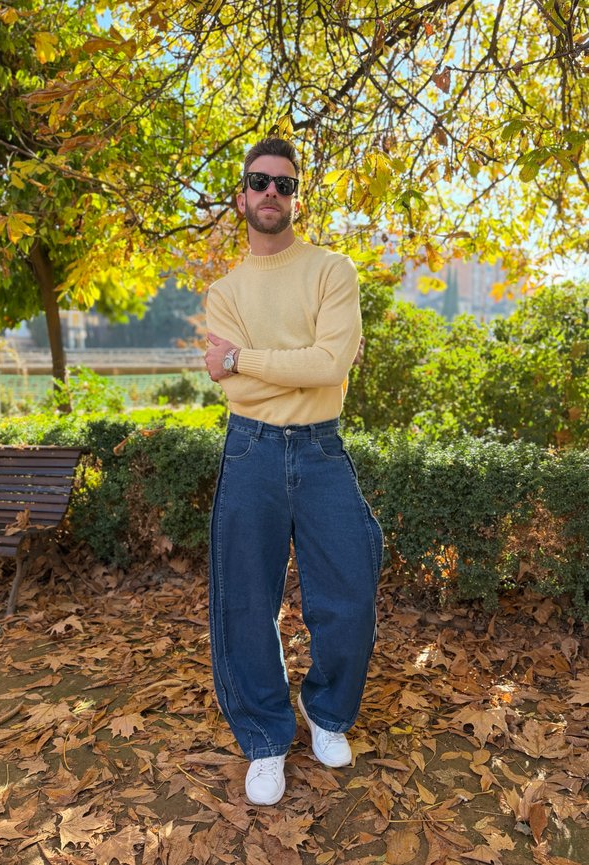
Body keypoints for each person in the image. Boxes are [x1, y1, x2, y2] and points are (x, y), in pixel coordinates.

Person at [204, 137, 383, 806]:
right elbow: (239, 396)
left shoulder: (332, 270)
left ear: (296, 195)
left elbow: (328, 366)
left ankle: (328, 713)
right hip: (249, 449)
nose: (271, 193)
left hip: (320, 446)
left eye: (284, 183)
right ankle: (266, 737)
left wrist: (242, 358)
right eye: (260, 182)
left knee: (351, 591)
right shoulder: (223, 290)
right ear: (242, 195)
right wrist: (275, 366)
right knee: (245, 600)